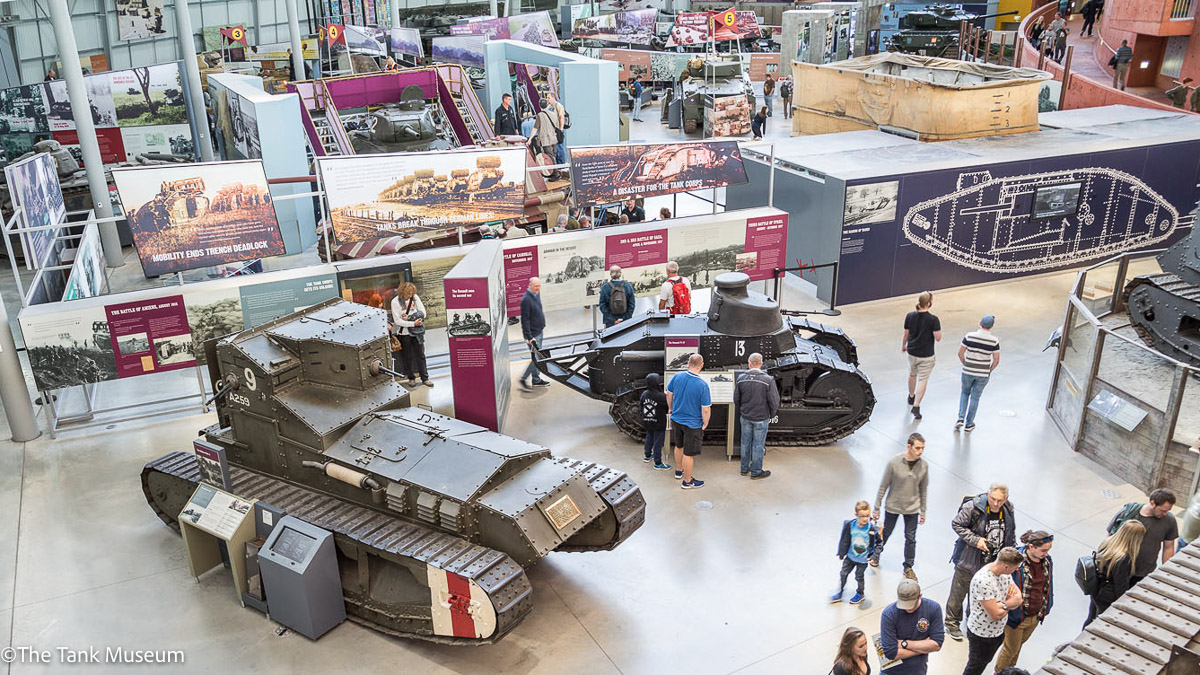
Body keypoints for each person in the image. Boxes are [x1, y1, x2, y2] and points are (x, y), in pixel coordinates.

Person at [945, 484, 1016, 642]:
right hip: (968, 560)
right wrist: (976, 541)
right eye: (993, 499)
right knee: (958, 593)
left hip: (990, 565)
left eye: (1000, 500)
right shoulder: (974, 507)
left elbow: (1011, 533)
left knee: (979, 596)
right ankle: (951, 623)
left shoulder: (1008, 510)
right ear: (988, 494)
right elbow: (957, 524)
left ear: (1006, 499)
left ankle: (971, 622)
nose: (996, 504)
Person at [870, 433, 928, 581]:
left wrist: (923, 511)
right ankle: (875, 555)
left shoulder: (923, 466)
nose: (920, 451)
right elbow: (883, 486)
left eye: (922, 448)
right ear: (909, 446)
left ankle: (908, 567)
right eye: (917, 448)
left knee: (910, 538)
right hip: (893, 506)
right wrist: (876, 508)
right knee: (886, 533)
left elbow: (923, 489)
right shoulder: (894, 463)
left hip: (912, 508)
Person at [995, 531, 1055, 671]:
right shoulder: (1017, 563)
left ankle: (1010, 671)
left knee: (1017, 646)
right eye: (1043, 550)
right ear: (1031, 547)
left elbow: (1047, 585)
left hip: (1036, 614)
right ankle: (1000, 672)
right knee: (1011, 649)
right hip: (1017, 616)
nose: (1046, 553)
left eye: (1048, 550)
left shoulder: (1047, 561)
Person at [963, 547, 1024, 675]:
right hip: (982, 636)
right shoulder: (983, 580)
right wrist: (1009, 604)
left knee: (984, 662)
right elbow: (995, 615)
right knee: (975, 667)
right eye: (1015, 568)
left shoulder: (1004, 575)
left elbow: (1018, 597)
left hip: (997, 632)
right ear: (1006, 566)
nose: (1016, 570)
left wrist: (1003, 605)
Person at [1105, 488, 1177, 583]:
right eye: (1163, 510)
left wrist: (1167, 573)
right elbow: (1110, 536)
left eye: (1167, 511)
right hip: (1117, 569)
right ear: (1152, 503)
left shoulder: (1169, 520)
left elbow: (1168, 548)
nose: (1165, 514)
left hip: (1142, 574)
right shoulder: (1127, 512)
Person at [1084, 520, 1144, 626]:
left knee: (1090, 619)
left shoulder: (1107, 543)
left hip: (1096, 589)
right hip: (1108, 597)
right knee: (1101, 625)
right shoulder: (1123, 558)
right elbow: (1120, 586)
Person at [880, 579, 945, 675]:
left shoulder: (933, 609)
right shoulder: (889, 614)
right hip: (890, 671)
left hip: (917, 670)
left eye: (911, 605)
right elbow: (890, 652)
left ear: (920, 596)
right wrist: (924, 647)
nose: (907, 608)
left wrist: (903, 644)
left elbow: (937, 644)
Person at [666, 353, 711, 489]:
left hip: (677, 419)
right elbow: (705, 409)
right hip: (692, 424)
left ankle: (679, 470)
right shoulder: (702, 385)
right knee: (689, 454)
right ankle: (687, 481)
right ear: (701, 365)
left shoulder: (677, 377)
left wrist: (671, 408)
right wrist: (706, 422)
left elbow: (669, 393)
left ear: (688, 363)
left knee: (679, 446)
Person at [734, 353, 779, 479]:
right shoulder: (768, 380)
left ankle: (744, 469)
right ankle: (756, 472)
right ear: (761, 363)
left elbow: (736, 399)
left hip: (746, 416)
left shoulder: (741, 378)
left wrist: (742, 411)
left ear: (749, 363)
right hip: (761, 417)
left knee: (745, 443)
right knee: (758, 445)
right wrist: (771, 414)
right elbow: (774, 402)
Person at [956, 315, 1000, 432]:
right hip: (983, 374)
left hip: (967, 371)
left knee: (965, 393)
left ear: (980, 323)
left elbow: (960, 353)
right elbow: (996, 360)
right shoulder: (994, 341)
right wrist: (988, 370)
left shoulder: (969, 336)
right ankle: (969, 424)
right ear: (992, 326)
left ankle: (960, 418)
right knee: (975, 398)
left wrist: (966, 364)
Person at [903, 292, 941, 420]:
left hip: (912, 351)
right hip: (926, 354)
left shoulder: (910, 316)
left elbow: (906, 334)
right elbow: (938, 337)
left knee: (912, 375)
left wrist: (904, 345)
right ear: (929, 303)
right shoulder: (933, 320)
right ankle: (916, 406)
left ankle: (911, 396)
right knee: (923, 380)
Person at [833, 500, 880, 605]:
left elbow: (879, 544)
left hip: (862, 560)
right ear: (856, 515)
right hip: (850, 556)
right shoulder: (850, 525)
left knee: (859, 576)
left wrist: (874, 555)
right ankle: (840, 592)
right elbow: (844, 539)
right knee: (843, 573)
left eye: (867, 516)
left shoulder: (872, 529)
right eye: (862, 516)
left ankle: (860, 593)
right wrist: (842, 553)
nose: (865, 519)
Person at [391, 282, 432, 387]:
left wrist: (409, 318)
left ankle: (425, 378)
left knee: (421, 355)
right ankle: (411, 377)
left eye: (411, 293)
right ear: (402, 293)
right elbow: (397, 321)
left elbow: (423, 313)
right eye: (408, 294)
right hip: (404, 334)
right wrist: (413, 323)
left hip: (417, 332)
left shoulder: (415, 297)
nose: (410, 296)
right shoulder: (395, 302)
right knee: (407, 356)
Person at [519, 277, 550, 391]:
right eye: (536, 286)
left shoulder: (536, 294)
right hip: (533, 335)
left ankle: (536, 380)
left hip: (539, 331)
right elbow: (525, 320)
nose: (538, 288)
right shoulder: (526, 300)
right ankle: (523, 379)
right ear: (530, 285)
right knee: (537, 359)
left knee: (538, 357)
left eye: (539, 286)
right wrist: (529, 337)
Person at [640, 373, 671, 470]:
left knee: (649, 437)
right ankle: (658, 463)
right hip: (659, 422)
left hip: (648, 420)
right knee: (658, 441)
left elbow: (641, 405)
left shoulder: (644, 394)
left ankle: (647, 455)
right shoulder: (660, 396)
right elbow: (669, 405)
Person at [529, 100, 560, 168]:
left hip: (545, 140)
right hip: (554, 138)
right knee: (553, 156)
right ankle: (555, 172)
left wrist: (530, 139)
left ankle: (555, 173)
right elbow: (557, 126)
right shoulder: (553, 114)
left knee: (550, 157)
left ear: (539, 106)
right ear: (547, 105)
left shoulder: (540, 115)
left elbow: (535, 128)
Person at [545, 92, 568, 166]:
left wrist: (560, 129)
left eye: (549, 98)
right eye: (547, 98)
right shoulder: (549, 107)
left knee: (560, 148)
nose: (547, 99)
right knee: (554, 149)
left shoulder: (558, 106)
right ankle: (557, 165)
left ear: (553, 97)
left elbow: (561, 117)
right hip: (551, 132)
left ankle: (562, 165)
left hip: (558, 130)